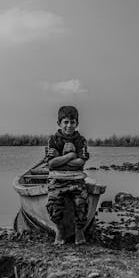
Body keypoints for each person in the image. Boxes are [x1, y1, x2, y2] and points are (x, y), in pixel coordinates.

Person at [45, 105, 90, 245]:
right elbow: (51, 164)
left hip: (76, 179)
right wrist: (71, 155)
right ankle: (59, 230)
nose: (69, 125)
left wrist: (60, 160)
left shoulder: (80, 140)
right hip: (57, 179)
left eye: (72, 122)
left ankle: (79, 231)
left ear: (77, 123)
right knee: (54, 205)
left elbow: (81, 163)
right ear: (59, 123)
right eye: (66, 122)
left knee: (81, 203)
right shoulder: (53, 140)